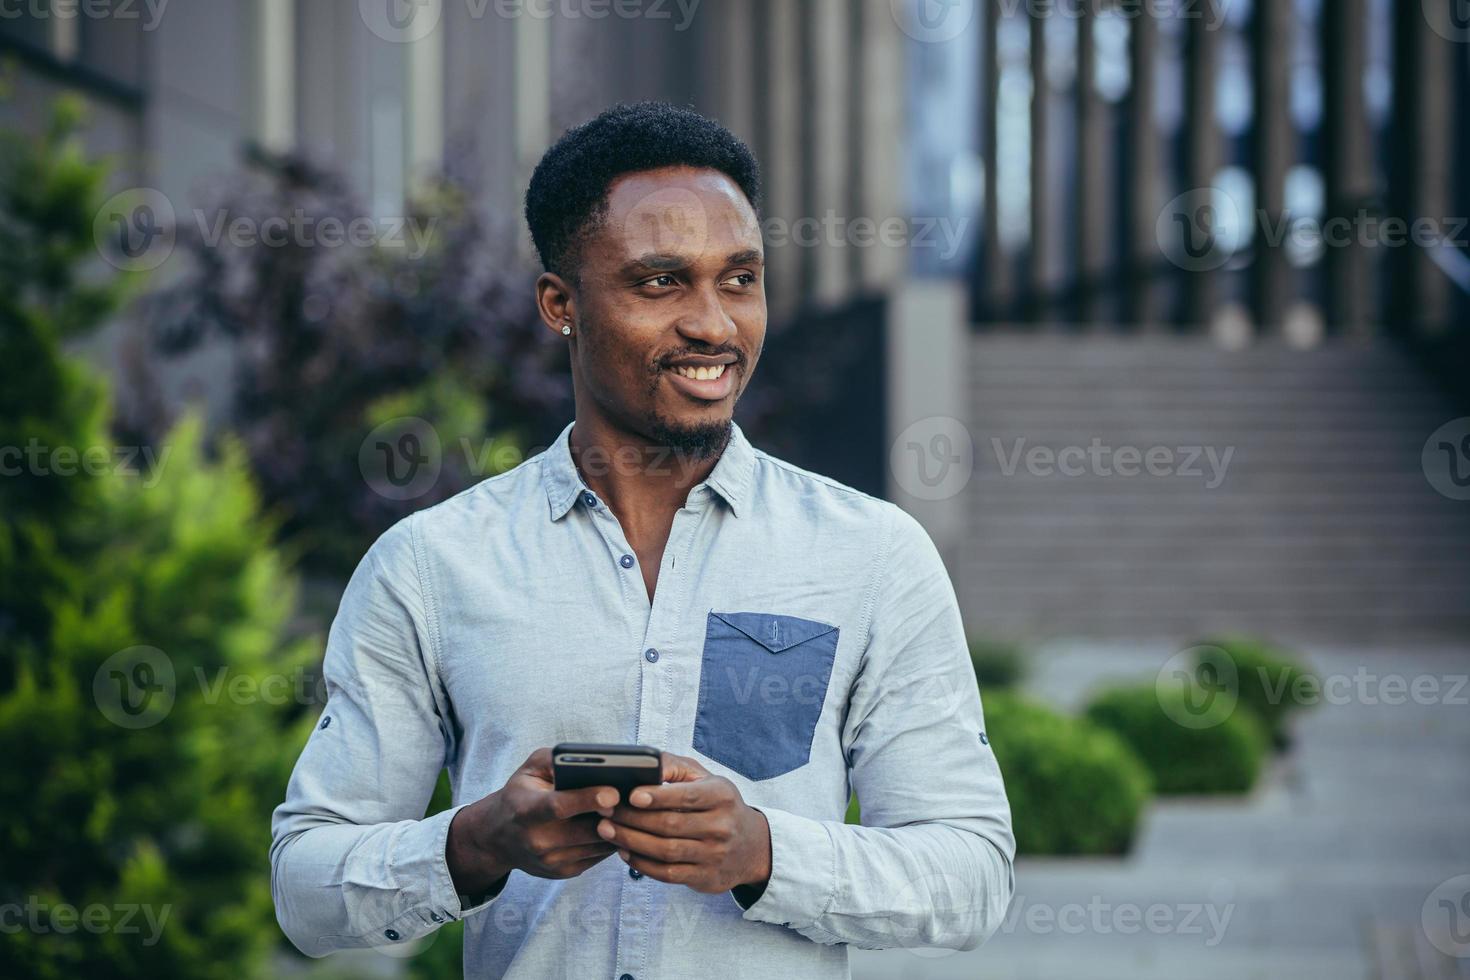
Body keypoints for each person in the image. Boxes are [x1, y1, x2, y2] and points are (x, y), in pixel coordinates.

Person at [270, 101, 1014, 979]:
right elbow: (306, 893)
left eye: (739, 278)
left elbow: (972, 874)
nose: (714, 324)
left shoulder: (875, 557)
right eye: (661, 282)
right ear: (561, 304)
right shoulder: (430, 569)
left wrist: (766, 853)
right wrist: (475, 843)